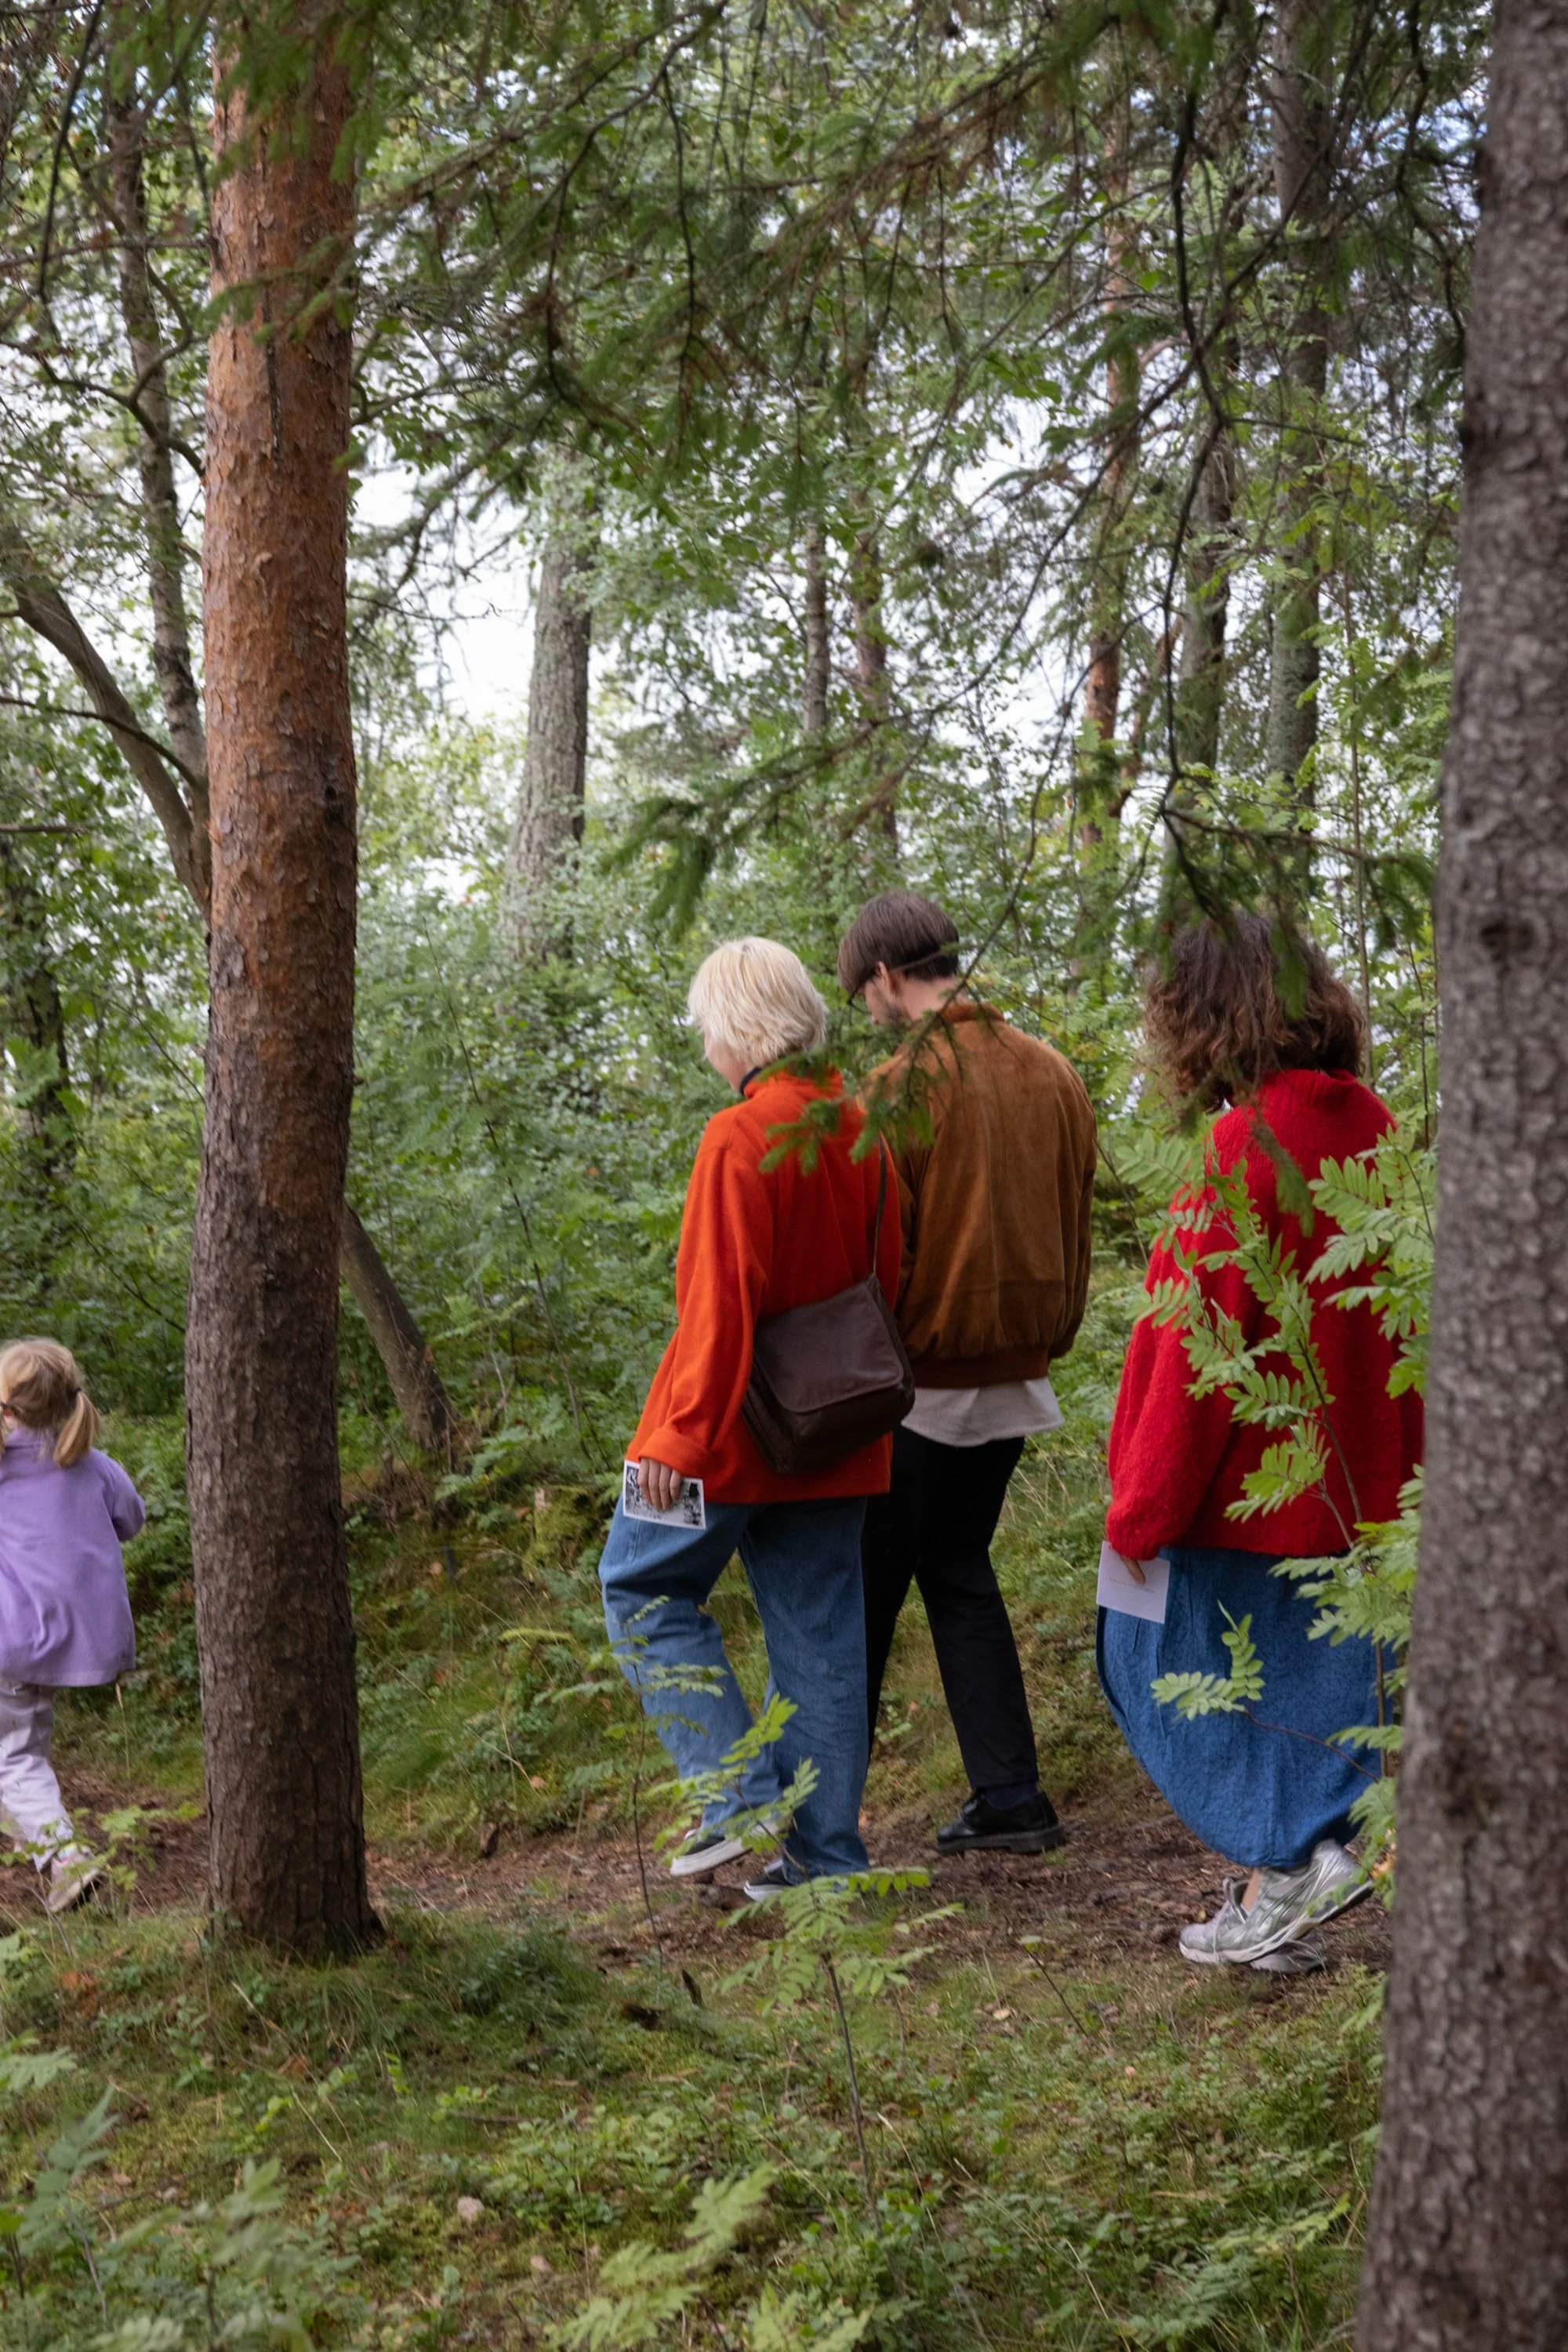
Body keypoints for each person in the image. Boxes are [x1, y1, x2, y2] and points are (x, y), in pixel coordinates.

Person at [1101, 916, 1423, 1972]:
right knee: (1323, 1715)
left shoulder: (1245, 1147)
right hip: (1371, 1510)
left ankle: (1291, 1869)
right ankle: (1289, 1890)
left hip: (1252, 1506)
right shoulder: (1380, 1126)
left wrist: (1140, 1512)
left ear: (1207, 1018)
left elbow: (1190, 1352)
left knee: (1154, 1664)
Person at [597, 937, 902, 1900]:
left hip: (725, 1435)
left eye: (704, 1031)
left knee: (638, 1590)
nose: (702, 1050)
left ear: (738, 1029)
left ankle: (733, 1802)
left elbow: (719, 1305)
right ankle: (825, 1862)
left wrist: (677, 1439)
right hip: (837, 1430)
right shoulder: (865, 1128)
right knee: (820, 1639)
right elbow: (885, 1285)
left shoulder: (740, 1136)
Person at [839, 891, 1097, 1858]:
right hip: (1017, 1379)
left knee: (859, 1598)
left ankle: (822, 1828)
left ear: (882, 977)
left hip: (921, 1384)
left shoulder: (899, 1085)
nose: (863, 1007)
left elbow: (878, 1257)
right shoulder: (1054, 1072)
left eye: (859, 989)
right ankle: (1011, 1797)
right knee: (954, 1569)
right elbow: (1074, 1232)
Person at [0, 1338, 145, 1915]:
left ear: (8, 1410)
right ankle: (25, 1822)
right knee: (21, 1744)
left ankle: (65, 1859)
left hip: (13, 1639)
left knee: (16, 1757)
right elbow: (131, 1520)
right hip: (68, 1638)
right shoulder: (96, 1468)